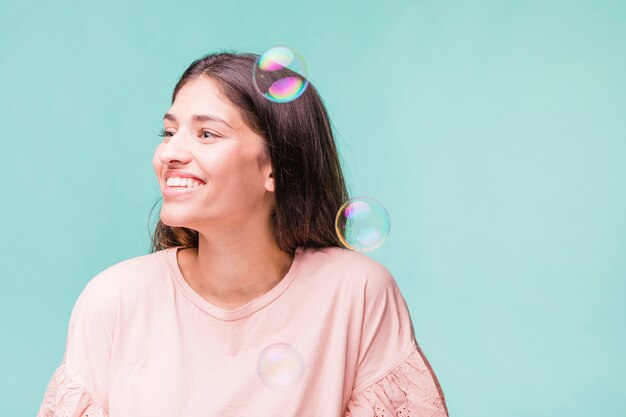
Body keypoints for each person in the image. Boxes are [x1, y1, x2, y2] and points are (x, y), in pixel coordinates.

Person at [37, 51, 449, 417]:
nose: (170, 154)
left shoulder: (357, 293)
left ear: (274, 165)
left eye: (206, 134)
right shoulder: (112, 299)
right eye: (169, 131)